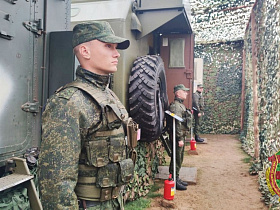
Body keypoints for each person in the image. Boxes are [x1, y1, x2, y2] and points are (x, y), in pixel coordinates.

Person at [38, 21, 135, 210]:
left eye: (116, 48)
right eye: (108, 46)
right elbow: (56, 182)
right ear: (85, 51)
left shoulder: (108, 95)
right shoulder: (68, 103)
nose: (116, 54)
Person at [168, 84, 191, 191]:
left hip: (181, 136)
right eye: (184, 91)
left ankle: (176, 177)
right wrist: (179, 139)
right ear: (178, 93)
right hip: (178, 137)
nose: (186, 93)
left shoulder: (180, 105)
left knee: (180, 158)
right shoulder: (176, 106)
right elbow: (176, 124)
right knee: (176, 158)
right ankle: (174, 179)